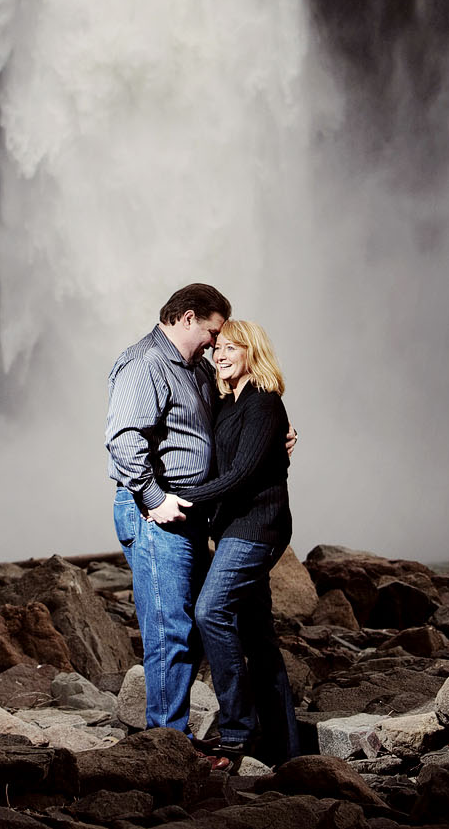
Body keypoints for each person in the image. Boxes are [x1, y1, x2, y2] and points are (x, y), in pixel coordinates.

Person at [158, 319, 299, 767]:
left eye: (232, 348)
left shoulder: (263, 403)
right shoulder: (229, 401)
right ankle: (283, 747)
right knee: (257, 636)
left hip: (258, 526)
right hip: (234, 525)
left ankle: (237, 733)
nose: (220, 354)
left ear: (252, 352)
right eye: (219, 347)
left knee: (210, 611)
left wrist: (181, 497)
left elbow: (241, 475)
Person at [105, 283, 231, 739]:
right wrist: (154, 499)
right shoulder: (145, 363)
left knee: (192, 628)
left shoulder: (193, 368)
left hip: (187, 514)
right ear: (187, 317)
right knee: (169, 632)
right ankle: (167, 746)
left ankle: (172, 737)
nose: (216, 342)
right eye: (212, 332)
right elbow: (122, 439)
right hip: (155, 512)